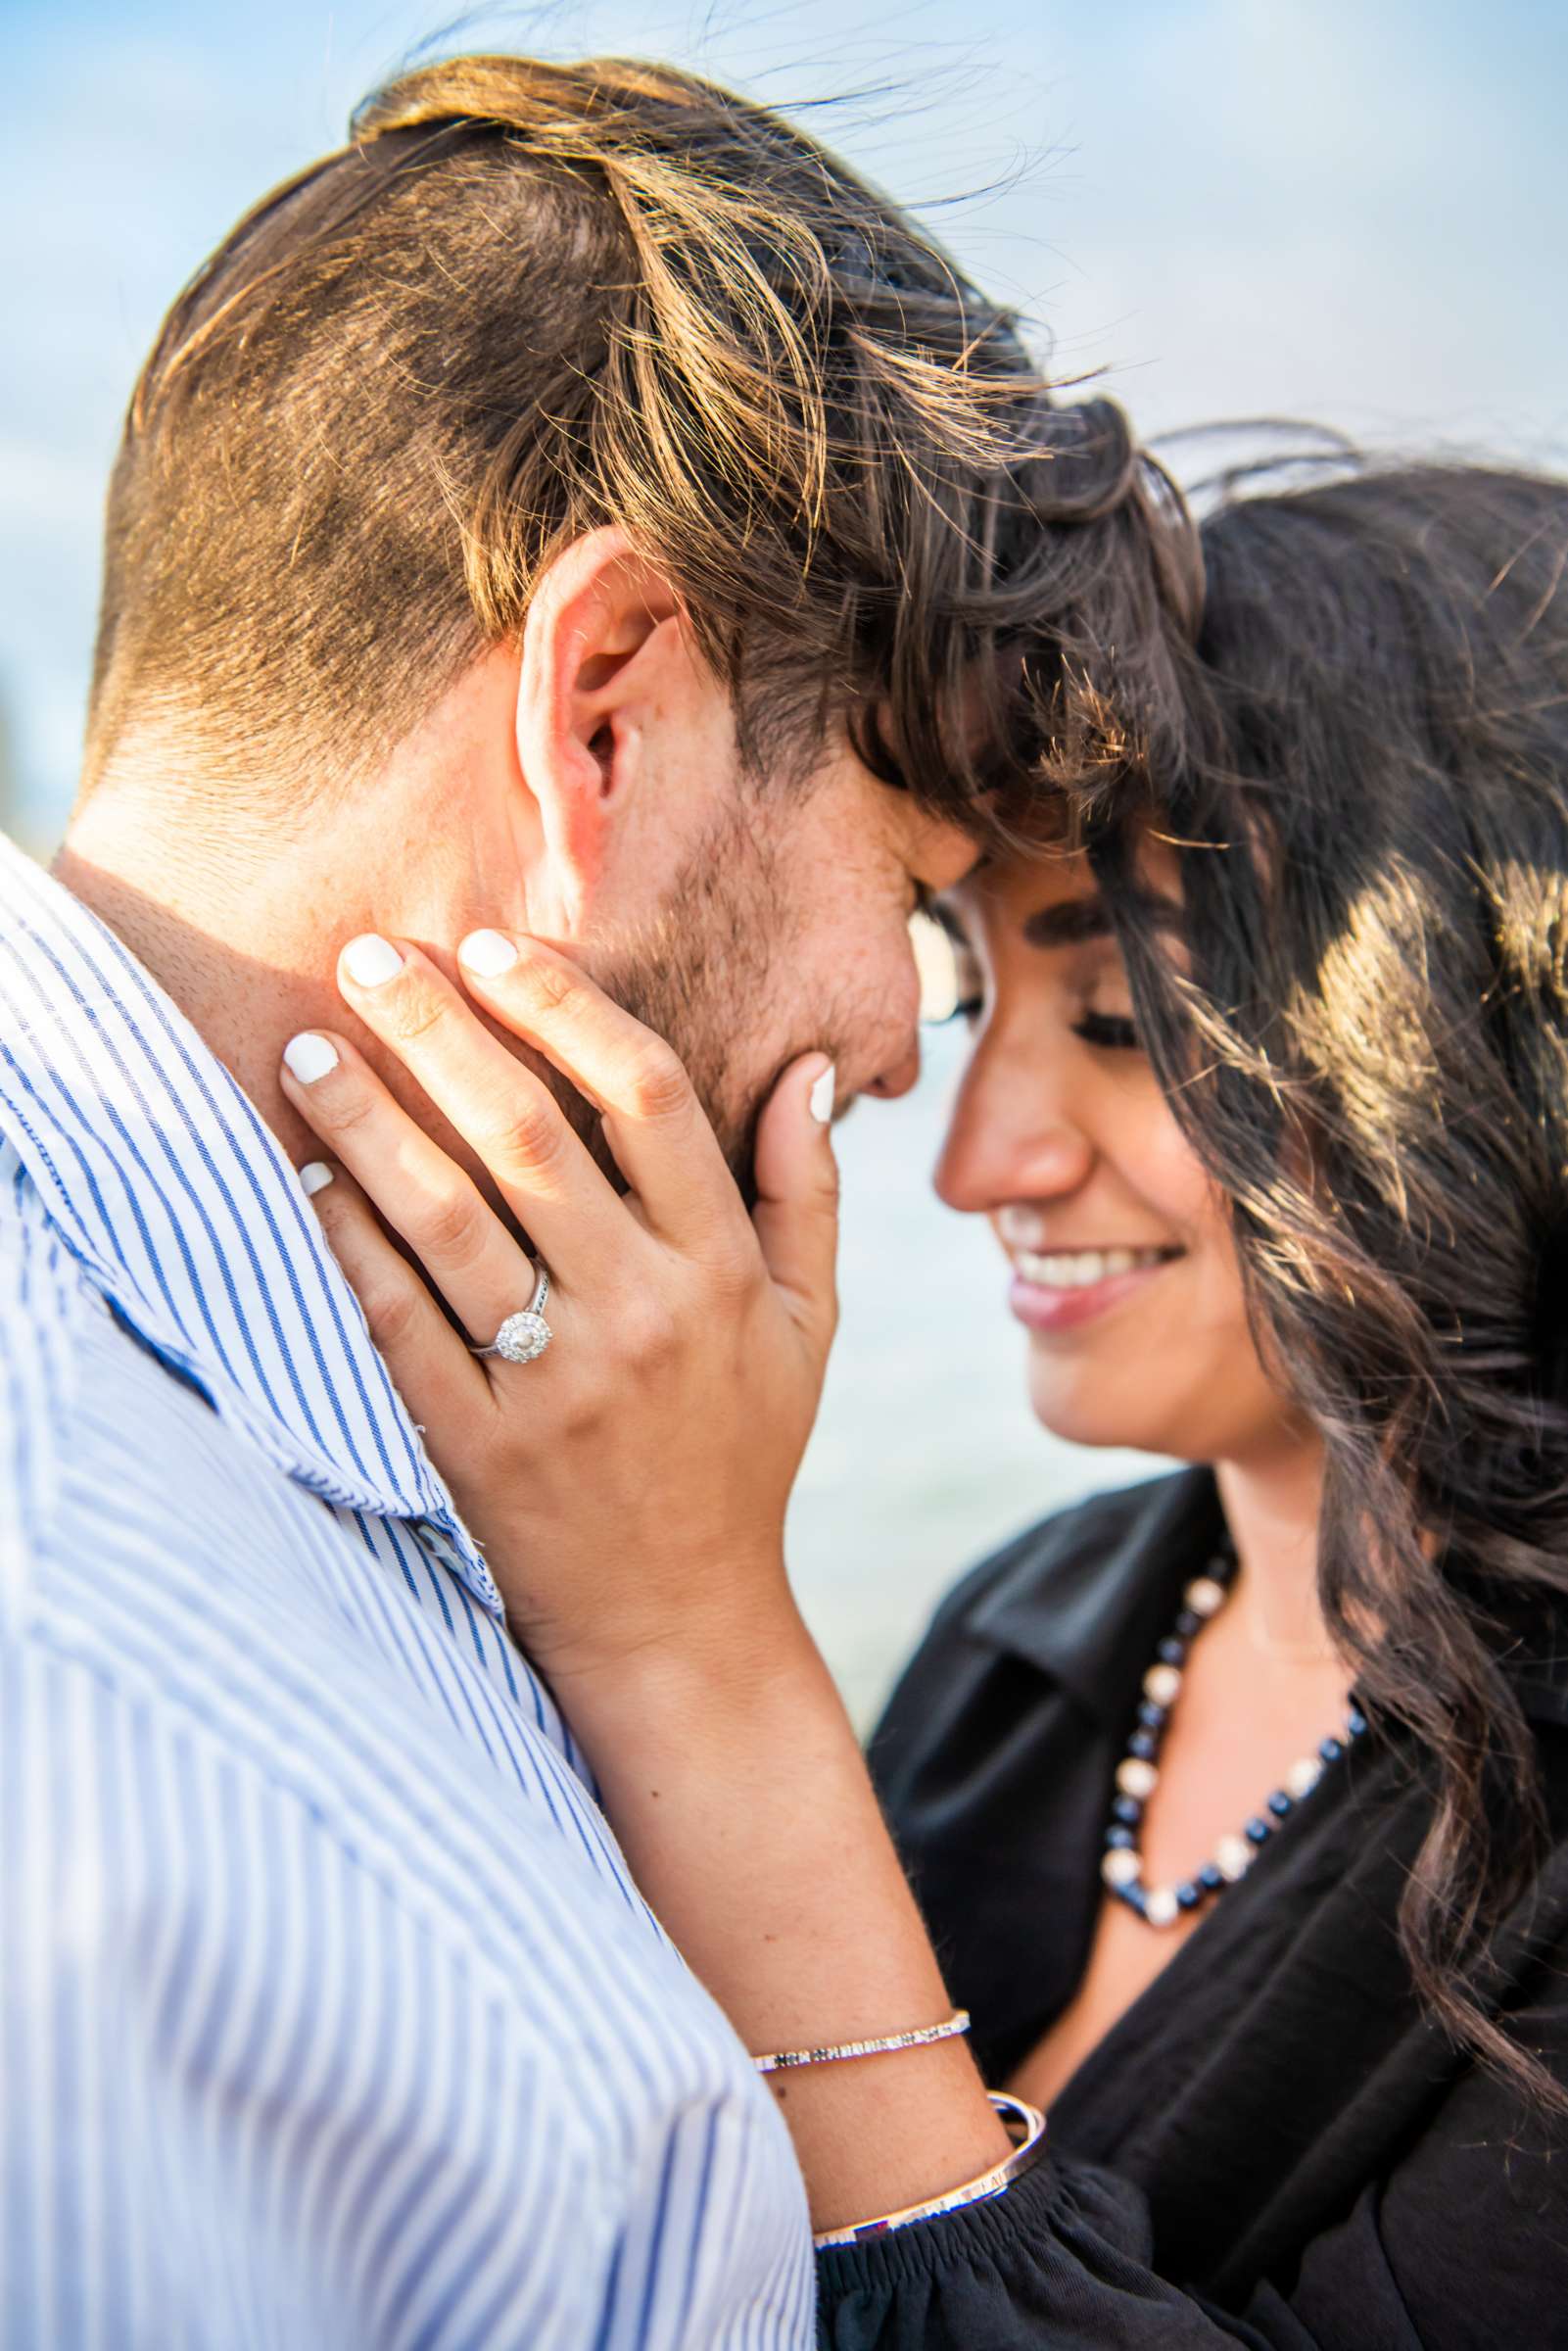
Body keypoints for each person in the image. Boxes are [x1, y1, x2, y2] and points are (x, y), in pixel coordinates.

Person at [0, 51, 1198, 2348]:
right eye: (918, 897)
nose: (887, 1056)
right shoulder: (89, 1726)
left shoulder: (357, 1446)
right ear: (608, 714)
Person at [299, 457, 1568, 2347]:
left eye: (1130, 1033)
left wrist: (692, 1645)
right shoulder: (1032, 1625)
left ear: (1482, 1047)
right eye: (972, 1005)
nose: (978, 1162)